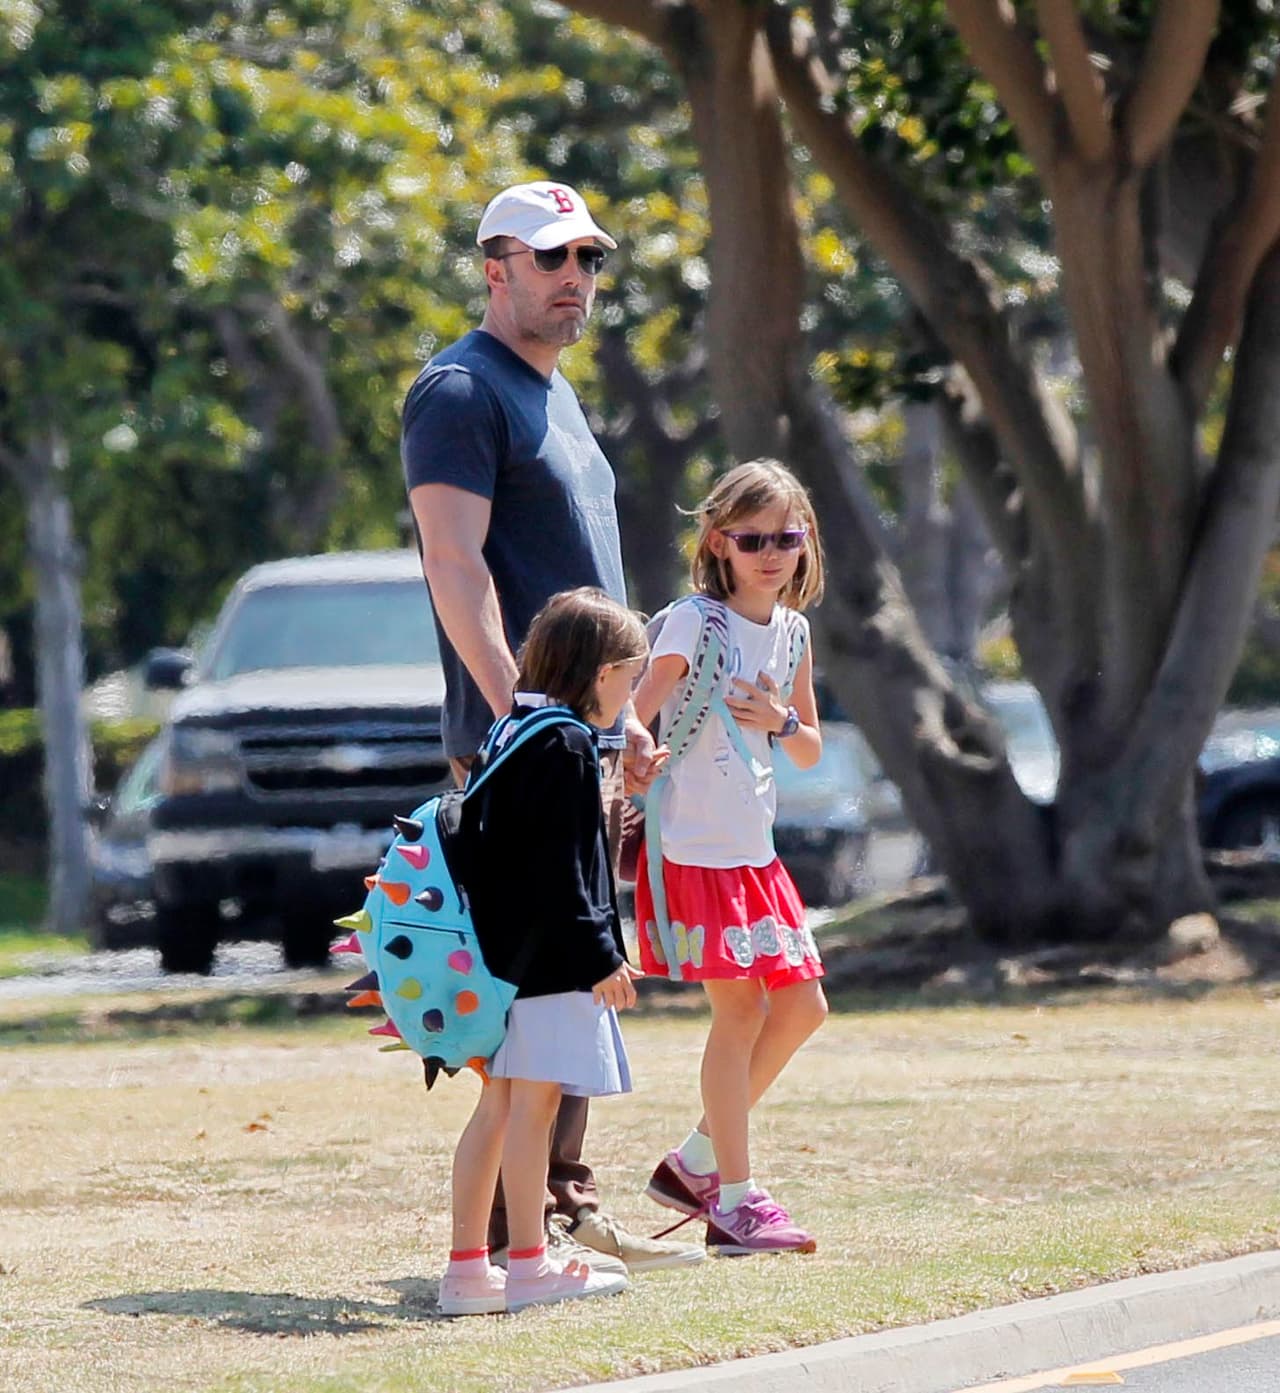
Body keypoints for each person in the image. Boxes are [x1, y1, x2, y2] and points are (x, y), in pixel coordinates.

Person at [402, 180, 702, 1274]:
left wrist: (613, 724)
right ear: (495, 269)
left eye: (587, 259)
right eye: (548, 259)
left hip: (582, 739)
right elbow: (454, 563)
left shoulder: (554, 394)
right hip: (526, 746)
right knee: (538, 985)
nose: (573, 278)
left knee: (575, 972)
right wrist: (518, 719)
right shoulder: (458, 389)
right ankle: (504, 1238)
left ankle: (555, 1211)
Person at [631, 459, 830, 1255]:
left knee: (803, 1007)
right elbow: (635, 713)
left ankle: (698, 1160)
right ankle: (735, 1200)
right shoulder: (692, 622)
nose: (772, 553)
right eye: (753, 539)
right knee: (741, 1011)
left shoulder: (793, 631)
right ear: (718, 542)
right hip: (695, 847)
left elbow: (810, 749)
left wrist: (781, 720)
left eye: (787, 536)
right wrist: (636, 752)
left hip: (756, 850)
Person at [439, 589, 652, 1315]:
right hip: (552, 966)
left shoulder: (513, 729)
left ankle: (468, 1267)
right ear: (600, 673)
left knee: (498, 1109)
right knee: (534, 1111)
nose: (631, 696)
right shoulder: (565, 745)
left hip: (503, 961)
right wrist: (601, 955)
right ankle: (528, 1262)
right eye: (630, 677)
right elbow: (562, 869)